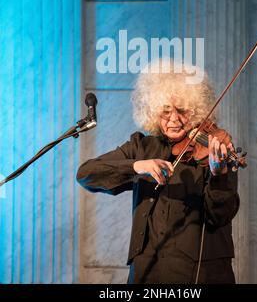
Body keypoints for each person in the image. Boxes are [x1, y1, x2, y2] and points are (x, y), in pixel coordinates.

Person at [76, 60, 240, 284]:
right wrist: (136, 166)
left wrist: (219, 176)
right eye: (165, 111)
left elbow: (221, 215)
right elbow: (87, 174)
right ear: (152, 111)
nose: (174, 119)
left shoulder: (211, 148)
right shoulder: (141, 147)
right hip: (147, 273)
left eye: (182, 110)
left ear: (197, 111)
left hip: (200, 275)